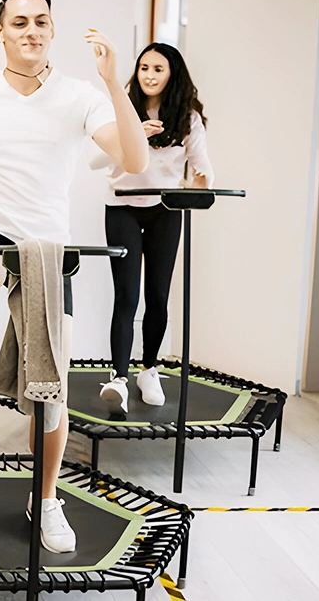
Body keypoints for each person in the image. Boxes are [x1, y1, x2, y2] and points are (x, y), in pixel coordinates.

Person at [0, 0, 149, 553]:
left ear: (53, 30)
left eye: (40, 21)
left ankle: (45, 499)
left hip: (47, 247)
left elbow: (133, 159)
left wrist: (114, 83)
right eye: (19, 22)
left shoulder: (82, 97)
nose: (30, 31)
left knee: (51, 394)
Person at [95, 42, 212, 414]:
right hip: (123, 209)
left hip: (164, 209)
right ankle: (118, 378)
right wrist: (136, 134)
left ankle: (149, 369)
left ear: (172, 74)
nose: (149, 75)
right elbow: (97, 161)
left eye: (157, 69)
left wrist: (202, 183)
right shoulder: (123, 109)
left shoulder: (187, 117)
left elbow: (202, 167)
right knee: (126, 297)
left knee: (158, 296)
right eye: (144, 67)